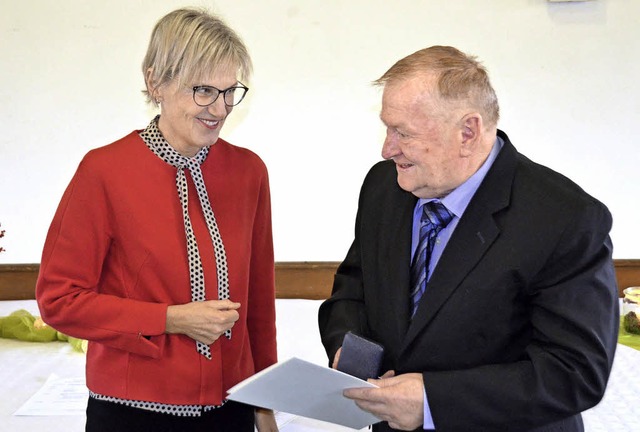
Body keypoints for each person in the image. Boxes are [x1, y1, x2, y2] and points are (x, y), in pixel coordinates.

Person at [318, 45, 619, 432]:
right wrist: (350, 349)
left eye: (403, 133)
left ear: (467, 131)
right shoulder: (384, 186)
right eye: (387, 127)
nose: (387, 149)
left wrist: (431, 401)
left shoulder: (565, 219)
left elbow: (574, 373)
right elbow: (354, 288)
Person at [36, 8, 278, 432]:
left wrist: (264, 403)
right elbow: (59, 300)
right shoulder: (103, 171)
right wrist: (169, 319)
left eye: (230, 91)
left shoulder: (249, 172)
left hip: (232, 409)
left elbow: (258, 303)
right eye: (203, 90)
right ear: (156, 82)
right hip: (130, 413)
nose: (219, 109)